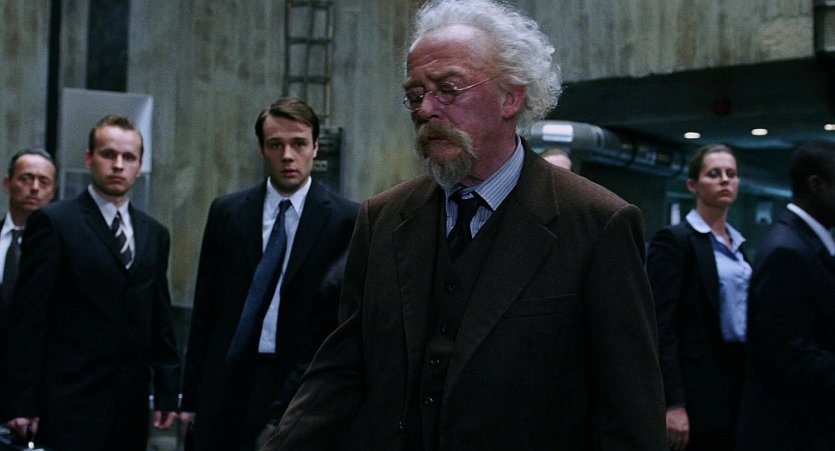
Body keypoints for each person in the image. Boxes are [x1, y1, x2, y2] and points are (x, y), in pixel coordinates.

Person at [263, 1, 666, 449]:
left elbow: (630, 413)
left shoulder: (596, 223)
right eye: (415, 94)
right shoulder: (383, 218)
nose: (426, 109)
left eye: (448, 89)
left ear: (512, 97)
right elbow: (342, 369)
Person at [179, 97, 358, 451]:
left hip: (299, 381)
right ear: (262, 149)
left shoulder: (345, 220)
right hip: (230, 377)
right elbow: (205, 310)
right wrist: (190, 398)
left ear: (315, 147)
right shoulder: (228, 213)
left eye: (298, 144)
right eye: (276, 145)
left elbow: (340, 323)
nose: (287, 156)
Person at [3, 115, 180, 450]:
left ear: (139, 166)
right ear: (89, 159)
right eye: (108, 154)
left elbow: (160, 317)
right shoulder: (54, 222)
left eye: (128, 157)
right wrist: (22, 401)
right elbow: (29, 318)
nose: (118, 165)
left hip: (130, 405)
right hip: (69, 401)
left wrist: (168, 390)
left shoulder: (154, 233)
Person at [647, 144, 750, 451]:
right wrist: (673, 402)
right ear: (693, 185)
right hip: (697, 385)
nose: (725, 180)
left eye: (731, 174)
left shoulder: (737, 244)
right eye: (714, 174)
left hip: (737, 378)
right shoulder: (676, 240)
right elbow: (660, 325)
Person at [735, 139, 835, 450]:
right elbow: (789, 357)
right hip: (791, 432)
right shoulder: (787, 251)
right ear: (816, 186)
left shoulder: (804, 244)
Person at [0, 147, 56, 422]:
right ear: (7, 183)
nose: (34, 188)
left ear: (53, 191)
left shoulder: (64, 247)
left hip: (39, 388)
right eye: (25, 178)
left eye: (43, 181)